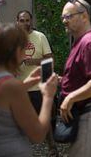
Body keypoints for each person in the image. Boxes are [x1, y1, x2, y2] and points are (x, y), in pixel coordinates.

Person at [0, 23, 57, 156]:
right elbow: (38, 135)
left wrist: (26, 83)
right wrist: (48, 96)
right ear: (18, 51)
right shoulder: (11, 87)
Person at [60, 0, 91, 157]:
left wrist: (70, 98)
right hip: (86, 114)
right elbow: (84, 78)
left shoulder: (89, 42)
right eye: (63, 17)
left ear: (84, 16)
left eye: (68, 17)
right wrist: (61, 81)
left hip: (90, 115)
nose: (64, 21)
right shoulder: (81, 41)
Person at [16, 10, 58, 156]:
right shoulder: (13, 39)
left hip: (37, 87)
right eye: (22, 20)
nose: (25, 23)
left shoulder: (40, 37)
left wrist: (33, 61)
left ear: (31, 22)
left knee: (44, 119)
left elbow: (50, 59)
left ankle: (52, 148)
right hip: (19, 87)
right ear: (17, 22)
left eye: (27, 20)